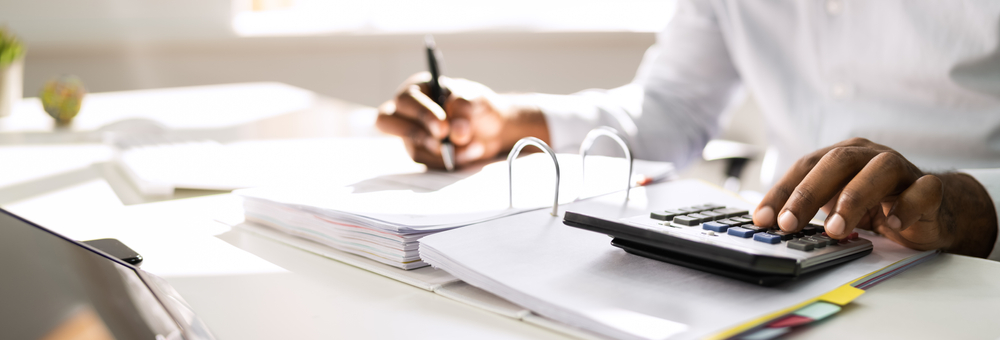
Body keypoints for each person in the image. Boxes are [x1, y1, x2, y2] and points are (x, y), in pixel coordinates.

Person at [375, 1, 1000, 259]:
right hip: (790, 255)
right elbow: (674, 108)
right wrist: (508, 123)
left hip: (975, 270)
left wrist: (981, 206)